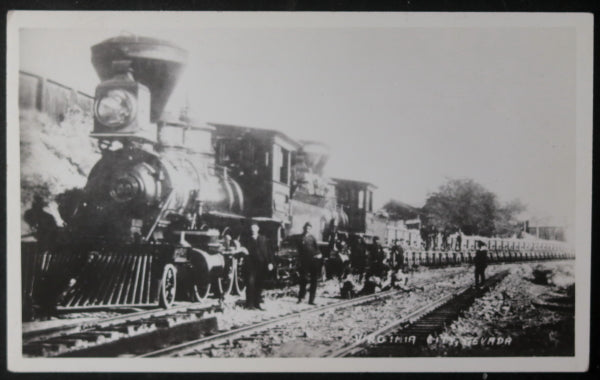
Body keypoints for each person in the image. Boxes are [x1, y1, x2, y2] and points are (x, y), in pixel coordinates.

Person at [241, 222, 274, 310]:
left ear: (258, 229)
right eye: (252, 228)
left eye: (255, 228)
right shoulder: (246, 240)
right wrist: (244, 251)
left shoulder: (264, 239)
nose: (253, 230)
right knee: (250, 284)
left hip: (262, 265)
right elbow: (242, 249)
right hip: (250, 265)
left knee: (259, 284)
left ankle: (257, 303)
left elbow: (269, 251)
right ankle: (249, 304)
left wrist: (270, 262)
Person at [297, 222, 322, 305]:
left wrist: (318, 255)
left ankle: (311, 300)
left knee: (313, 280)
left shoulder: (312, 238)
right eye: (306, 228)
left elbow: (317, 249)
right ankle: (301, 298)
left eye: (309, 228)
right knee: (303, 279)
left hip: (313, 261)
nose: (307, 229)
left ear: (310, 229)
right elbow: (299, 249)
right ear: (304, 228)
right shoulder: (300, 238)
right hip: (304, 261)